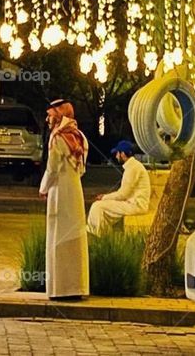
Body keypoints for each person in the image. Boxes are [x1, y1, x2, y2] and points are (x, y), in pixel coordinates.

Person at [39, 98, 89, 299]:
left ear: (59, 115)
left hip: (59, 190)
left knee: (59, 234)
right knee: (74, 234)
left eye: (50, 114)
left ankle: (60, 289)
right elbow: (83, 168)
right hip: (75, 189)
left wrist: (43, 188)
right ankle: (76, 287)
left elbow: (52, 168)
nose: (47, 119)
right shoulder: (80, 136)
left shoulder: (57, 137)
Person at [87, 140, 150, 235]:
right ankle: (103, 234)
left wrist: (104, 197)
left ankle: (98, 236)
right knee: (100, 207)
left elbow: (123, 194)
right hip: (133, 203)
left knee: (97, 206)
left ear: (123, 154)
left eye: (117, 153)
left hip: (136, 205)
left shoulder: (132, 168)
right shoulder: (133, 166)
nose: (116, 156)